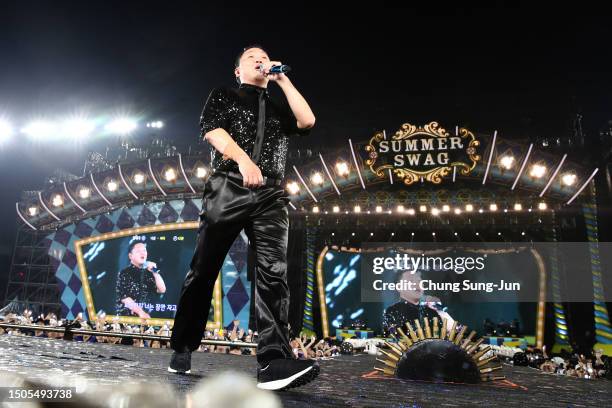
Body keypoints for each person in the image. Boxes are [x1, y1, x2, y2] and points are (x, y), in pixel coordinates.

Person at [168, 45, 318, 390]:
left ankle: (273, 361)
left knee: (274, 274)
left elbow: (307, 120)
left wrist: (282, 80)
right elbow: (213, 131)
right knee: (204, 269)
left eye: (264, 57)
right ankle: (183, 344)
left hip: (271, 194)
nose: (260, 60)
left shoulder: (281, 102)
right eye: (252, 57)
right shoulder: (224, 94)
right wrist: (243, 160)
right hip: (229, 185)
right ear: (238, 70)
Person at [382, 269, 455, 336]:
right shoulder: (393, 311)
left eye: (419, 281)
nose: (417, 284)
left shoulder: (431, 310)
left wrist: (440, 310)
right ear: (399, 287)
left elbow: (455, 333)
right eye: (411, 281)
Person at [115, 241, 166, 318]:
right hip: (128, 319)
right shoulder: (124, 273)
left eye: (144, 250)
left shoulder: (149, 272)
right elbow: (125, 298)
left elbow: (162, 290)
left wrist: (155, 272)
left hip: (145, 319)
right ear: (130, 256)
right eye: (138, 251)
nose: (142, 253)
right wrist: (141, 312)